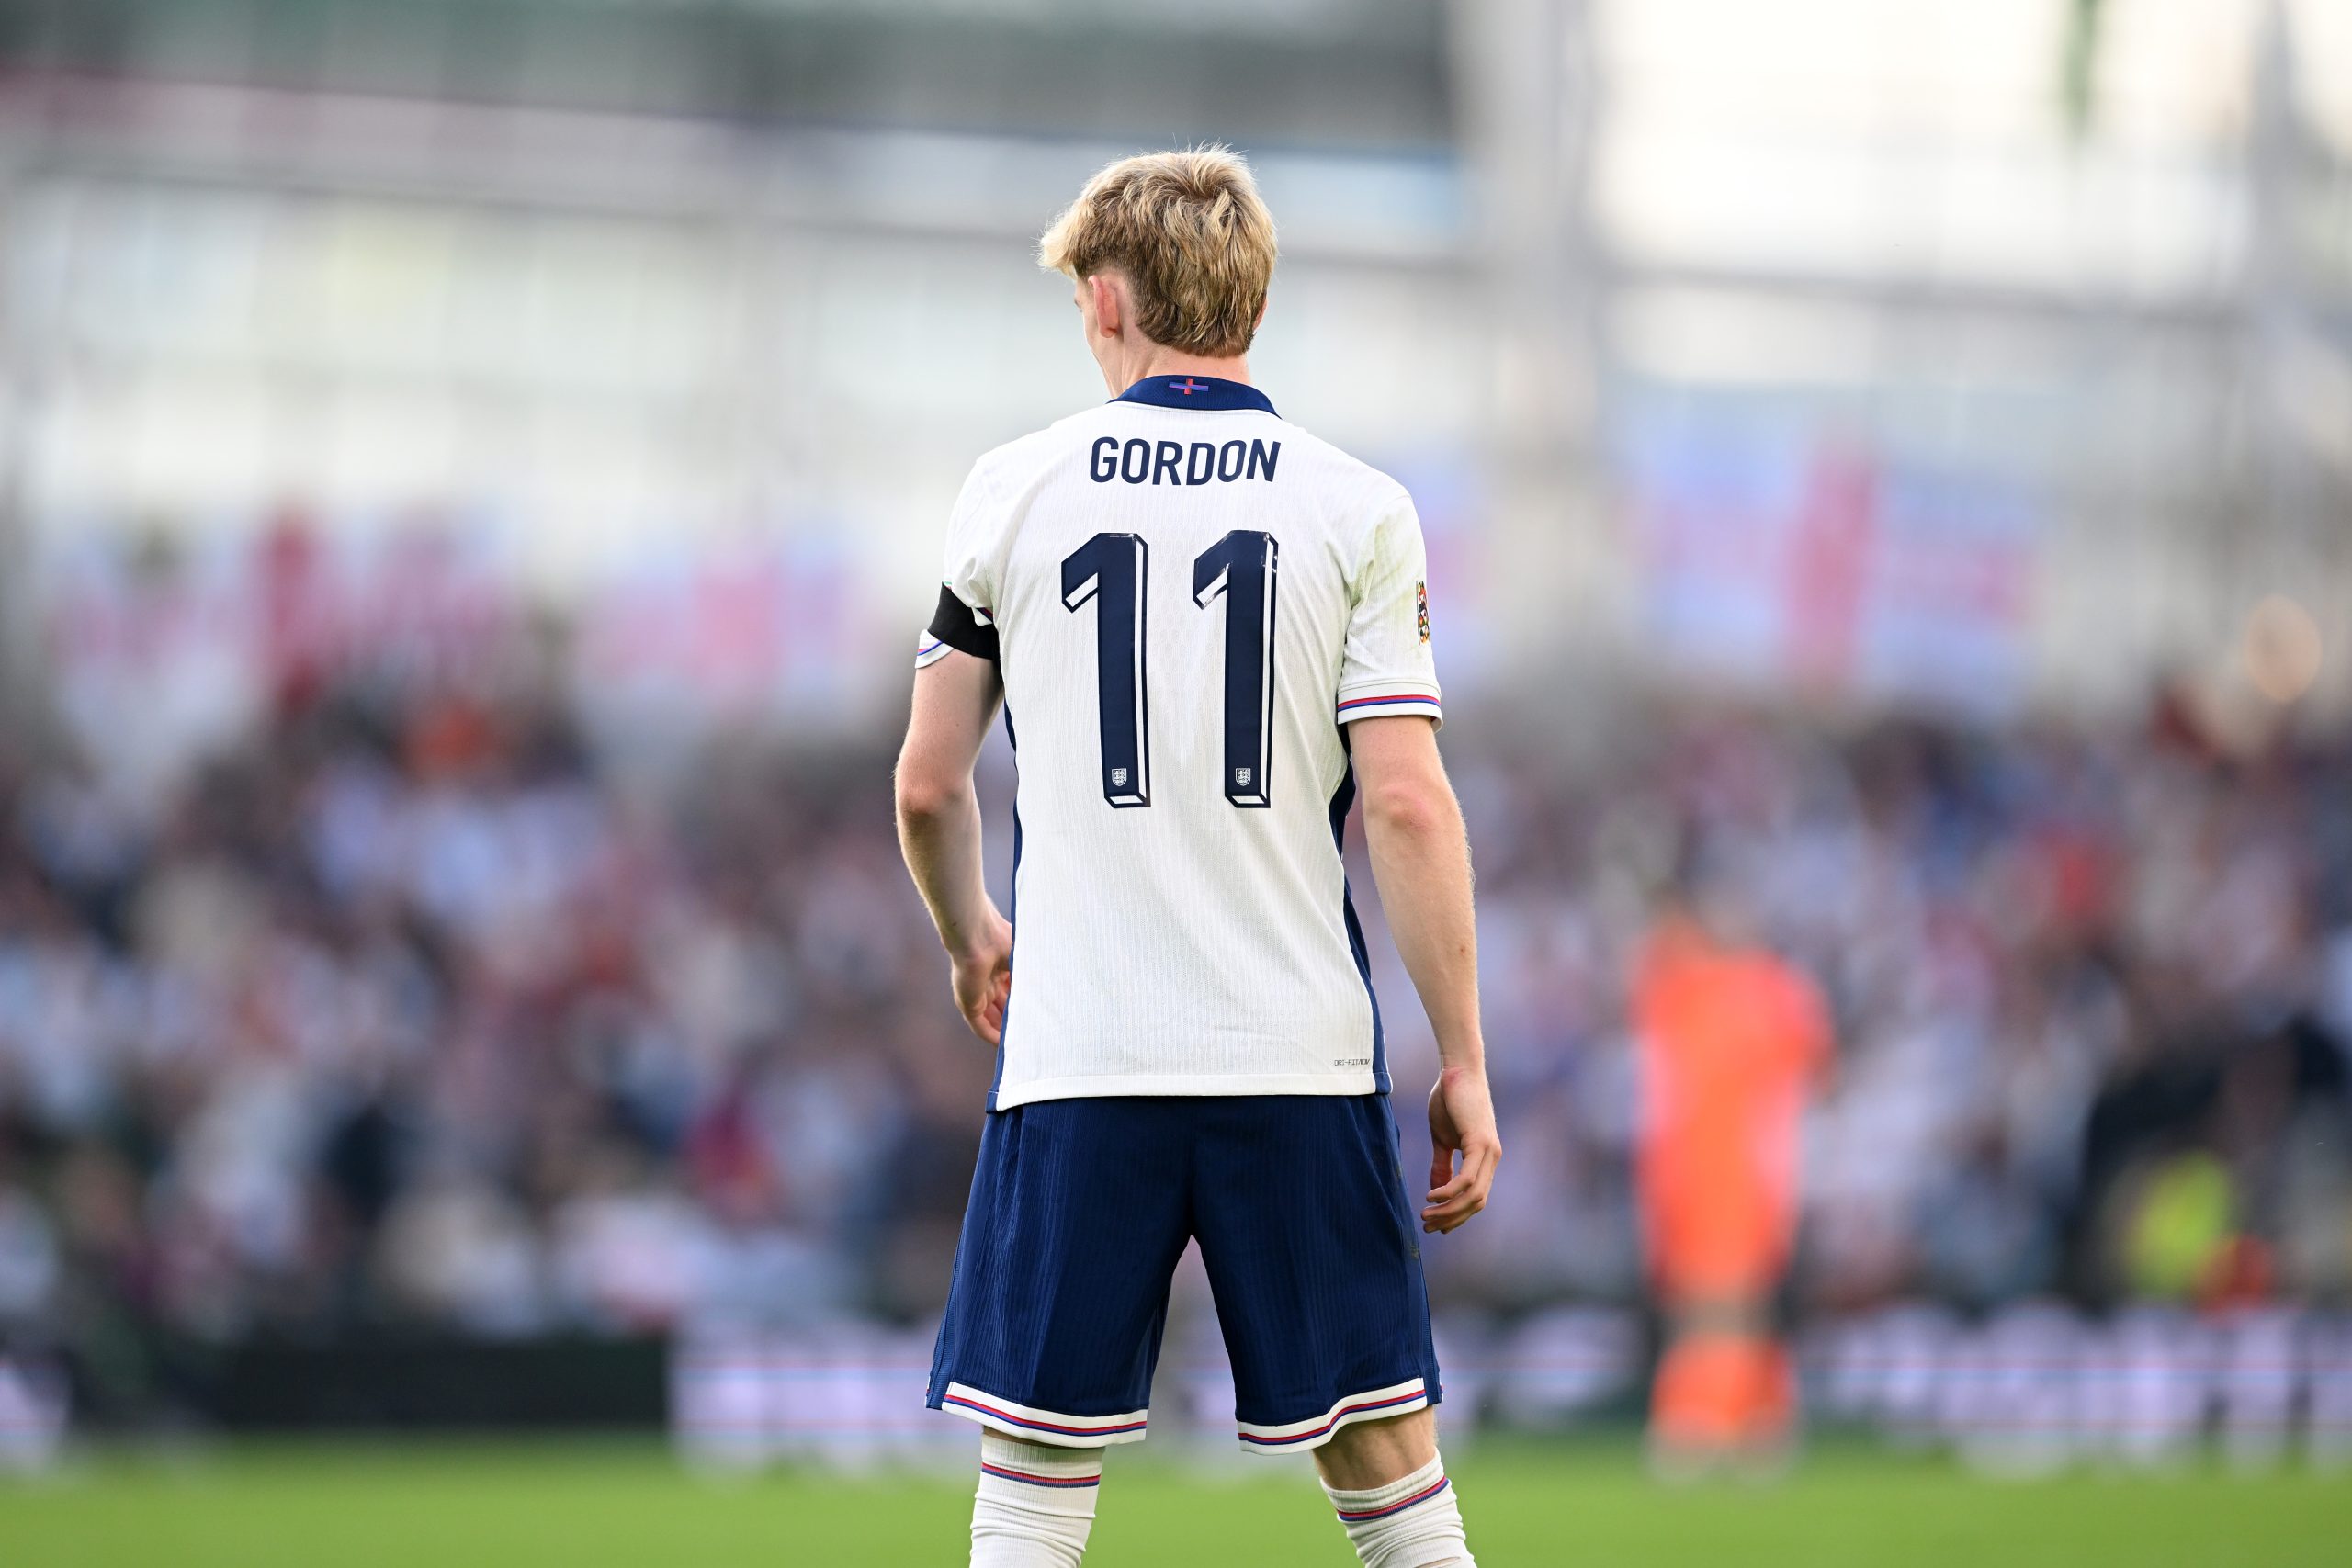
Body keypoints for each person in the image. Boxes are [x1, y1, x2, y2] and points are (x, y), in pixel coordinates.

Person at [895, 147, 1498, 1568]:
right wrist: (1461, 1051)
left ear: (1108, 300)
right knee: (1392, 1477)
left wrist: (969, 932)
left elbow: (929, 783)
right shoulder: (1358, 506)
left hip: (1081, 1048)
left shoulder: (1014, 487)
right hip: (1290, 1049)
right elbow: (1408, 806)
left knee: (1035, 1484)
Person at [1631, 884, 1830, 1473]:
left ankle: (1709, 1418)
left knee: (1726, 1298)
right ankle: (1757, 1419)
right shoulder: (1695, 989)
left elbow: (1807, 1070)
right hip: (1694, 1169)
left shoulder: (1763, 991)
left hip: (1737, 1171)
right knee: (1712, 1296)